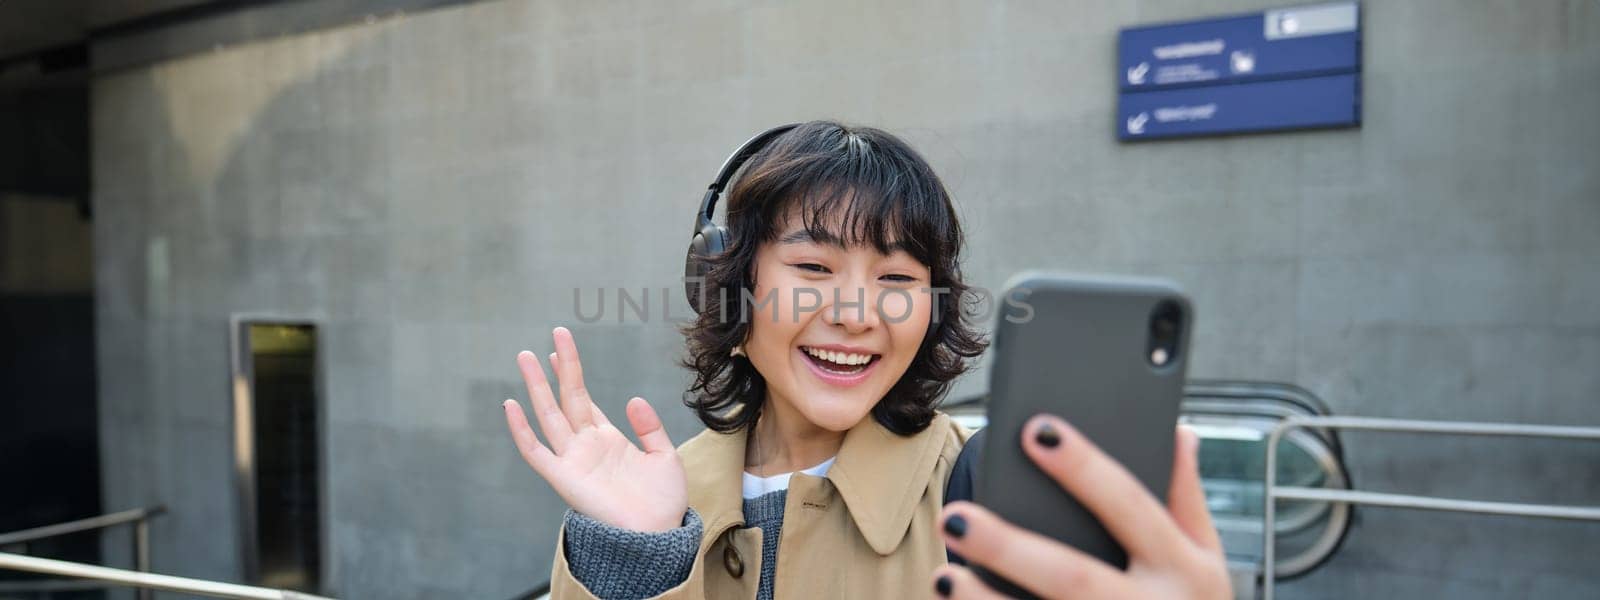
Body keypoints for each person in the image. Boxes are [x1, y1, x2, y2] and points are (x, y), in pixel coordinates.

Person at [501, 121, 1230, 599]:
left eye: (898, 279)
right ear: (727, 283)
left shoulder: (997, 503)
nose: (857, 313)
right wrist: (637, 564)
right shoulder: (660, 497)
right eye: (813, 268)